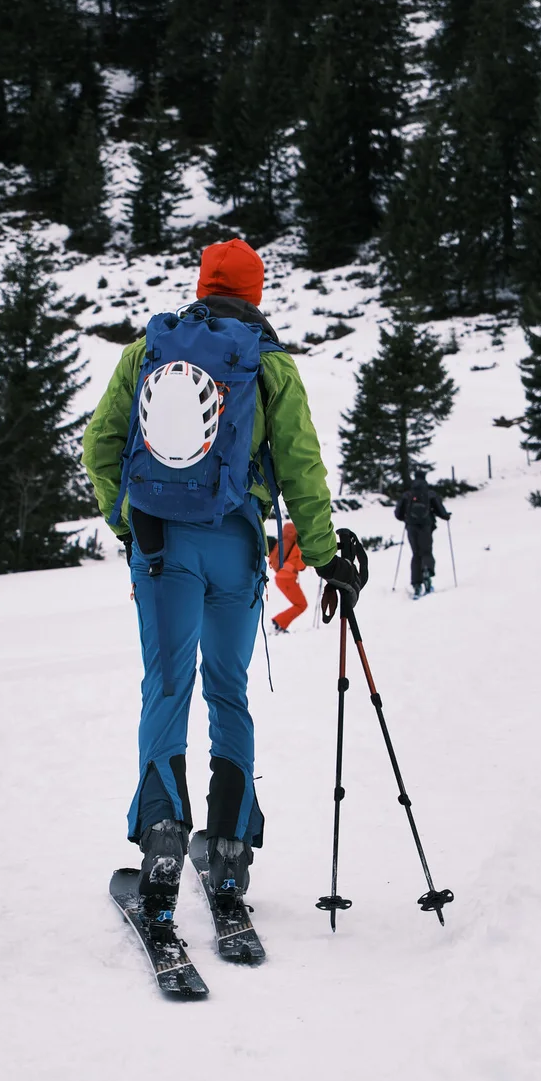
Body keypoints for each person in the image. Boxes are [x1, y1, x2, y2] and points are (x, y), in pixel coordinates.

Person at [81, 237, 364, 925]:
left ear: (202, 285)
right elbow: (302, 469)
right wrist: (324, 556)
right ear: (256, 294)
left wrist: (129, 529)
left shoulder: (147, 353)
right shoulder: (270, 366)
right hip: (236, 549)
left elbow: (99, 447)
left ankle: (162, 844)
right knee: (228, 691)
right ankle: (230, 849)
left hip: (160, 551)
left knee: (167, 687)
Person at [395, 471, 452, 599]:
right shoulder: (430, 494)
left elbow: (398, 514)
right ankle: (427, 572)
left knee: (416, 554)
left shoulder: (407, 495)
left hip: (411, 528)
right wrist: (446, 516)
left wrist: (406, 520)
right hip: (426, 527)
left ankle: (416, 584)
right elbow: (440, 511)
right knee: (426, 552)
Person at [268, 521, 307, 632]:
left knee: (300, 604)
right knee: (301, 604)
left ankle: (279, 624)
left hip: (282, 578)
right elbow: (300, 565)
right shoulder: (297, 545)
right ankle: (278, 623)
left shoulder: (282, 543)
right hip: (287, 579)